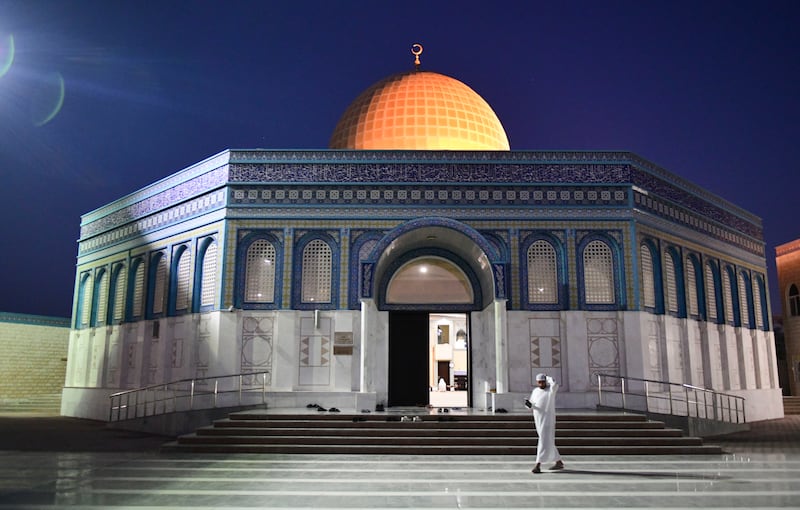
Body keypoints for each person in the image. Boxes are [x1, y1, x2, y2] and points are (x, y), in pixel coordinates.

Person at [528, 373, 564, 474]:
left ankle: (538, 464)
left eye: (543, 381)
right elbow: (531, 403)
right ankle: (559, 462)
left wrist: (547, 377)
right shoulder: (535, 391)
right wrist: (529, 405)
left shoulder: (550, 391)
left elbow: (555, 384)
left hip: (548, 419)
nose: (541, 383)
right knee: (547, 440)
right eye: (539, 382)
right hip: (538, 418)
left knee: (543, 440)